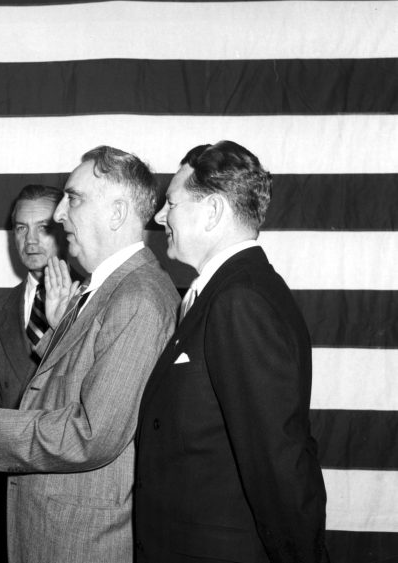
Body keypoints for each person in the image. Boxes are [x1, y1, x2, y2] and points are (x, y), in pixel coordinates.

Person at [0, 146, 179, 563]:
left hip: (82, 540)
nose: (58, 216)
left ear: (117, 212)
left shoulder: (138, 295)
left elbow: (94, 433)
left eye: (75, 198)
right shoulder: (106, 289)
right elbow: (73, 383)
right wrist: (57, 328)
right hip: (57, 531)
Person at [134, 141, 329, 562]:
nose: (159, 216)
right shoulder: (227, 292)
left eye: (171, 202)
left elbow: (277, 463)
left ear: (213, 211)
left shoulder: (239, 300)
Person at [0, 184, 65, 410]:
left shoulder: (92, 298)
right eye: (21, 228)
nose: (30, 240)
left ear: (67, 230)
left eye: (44, 228)